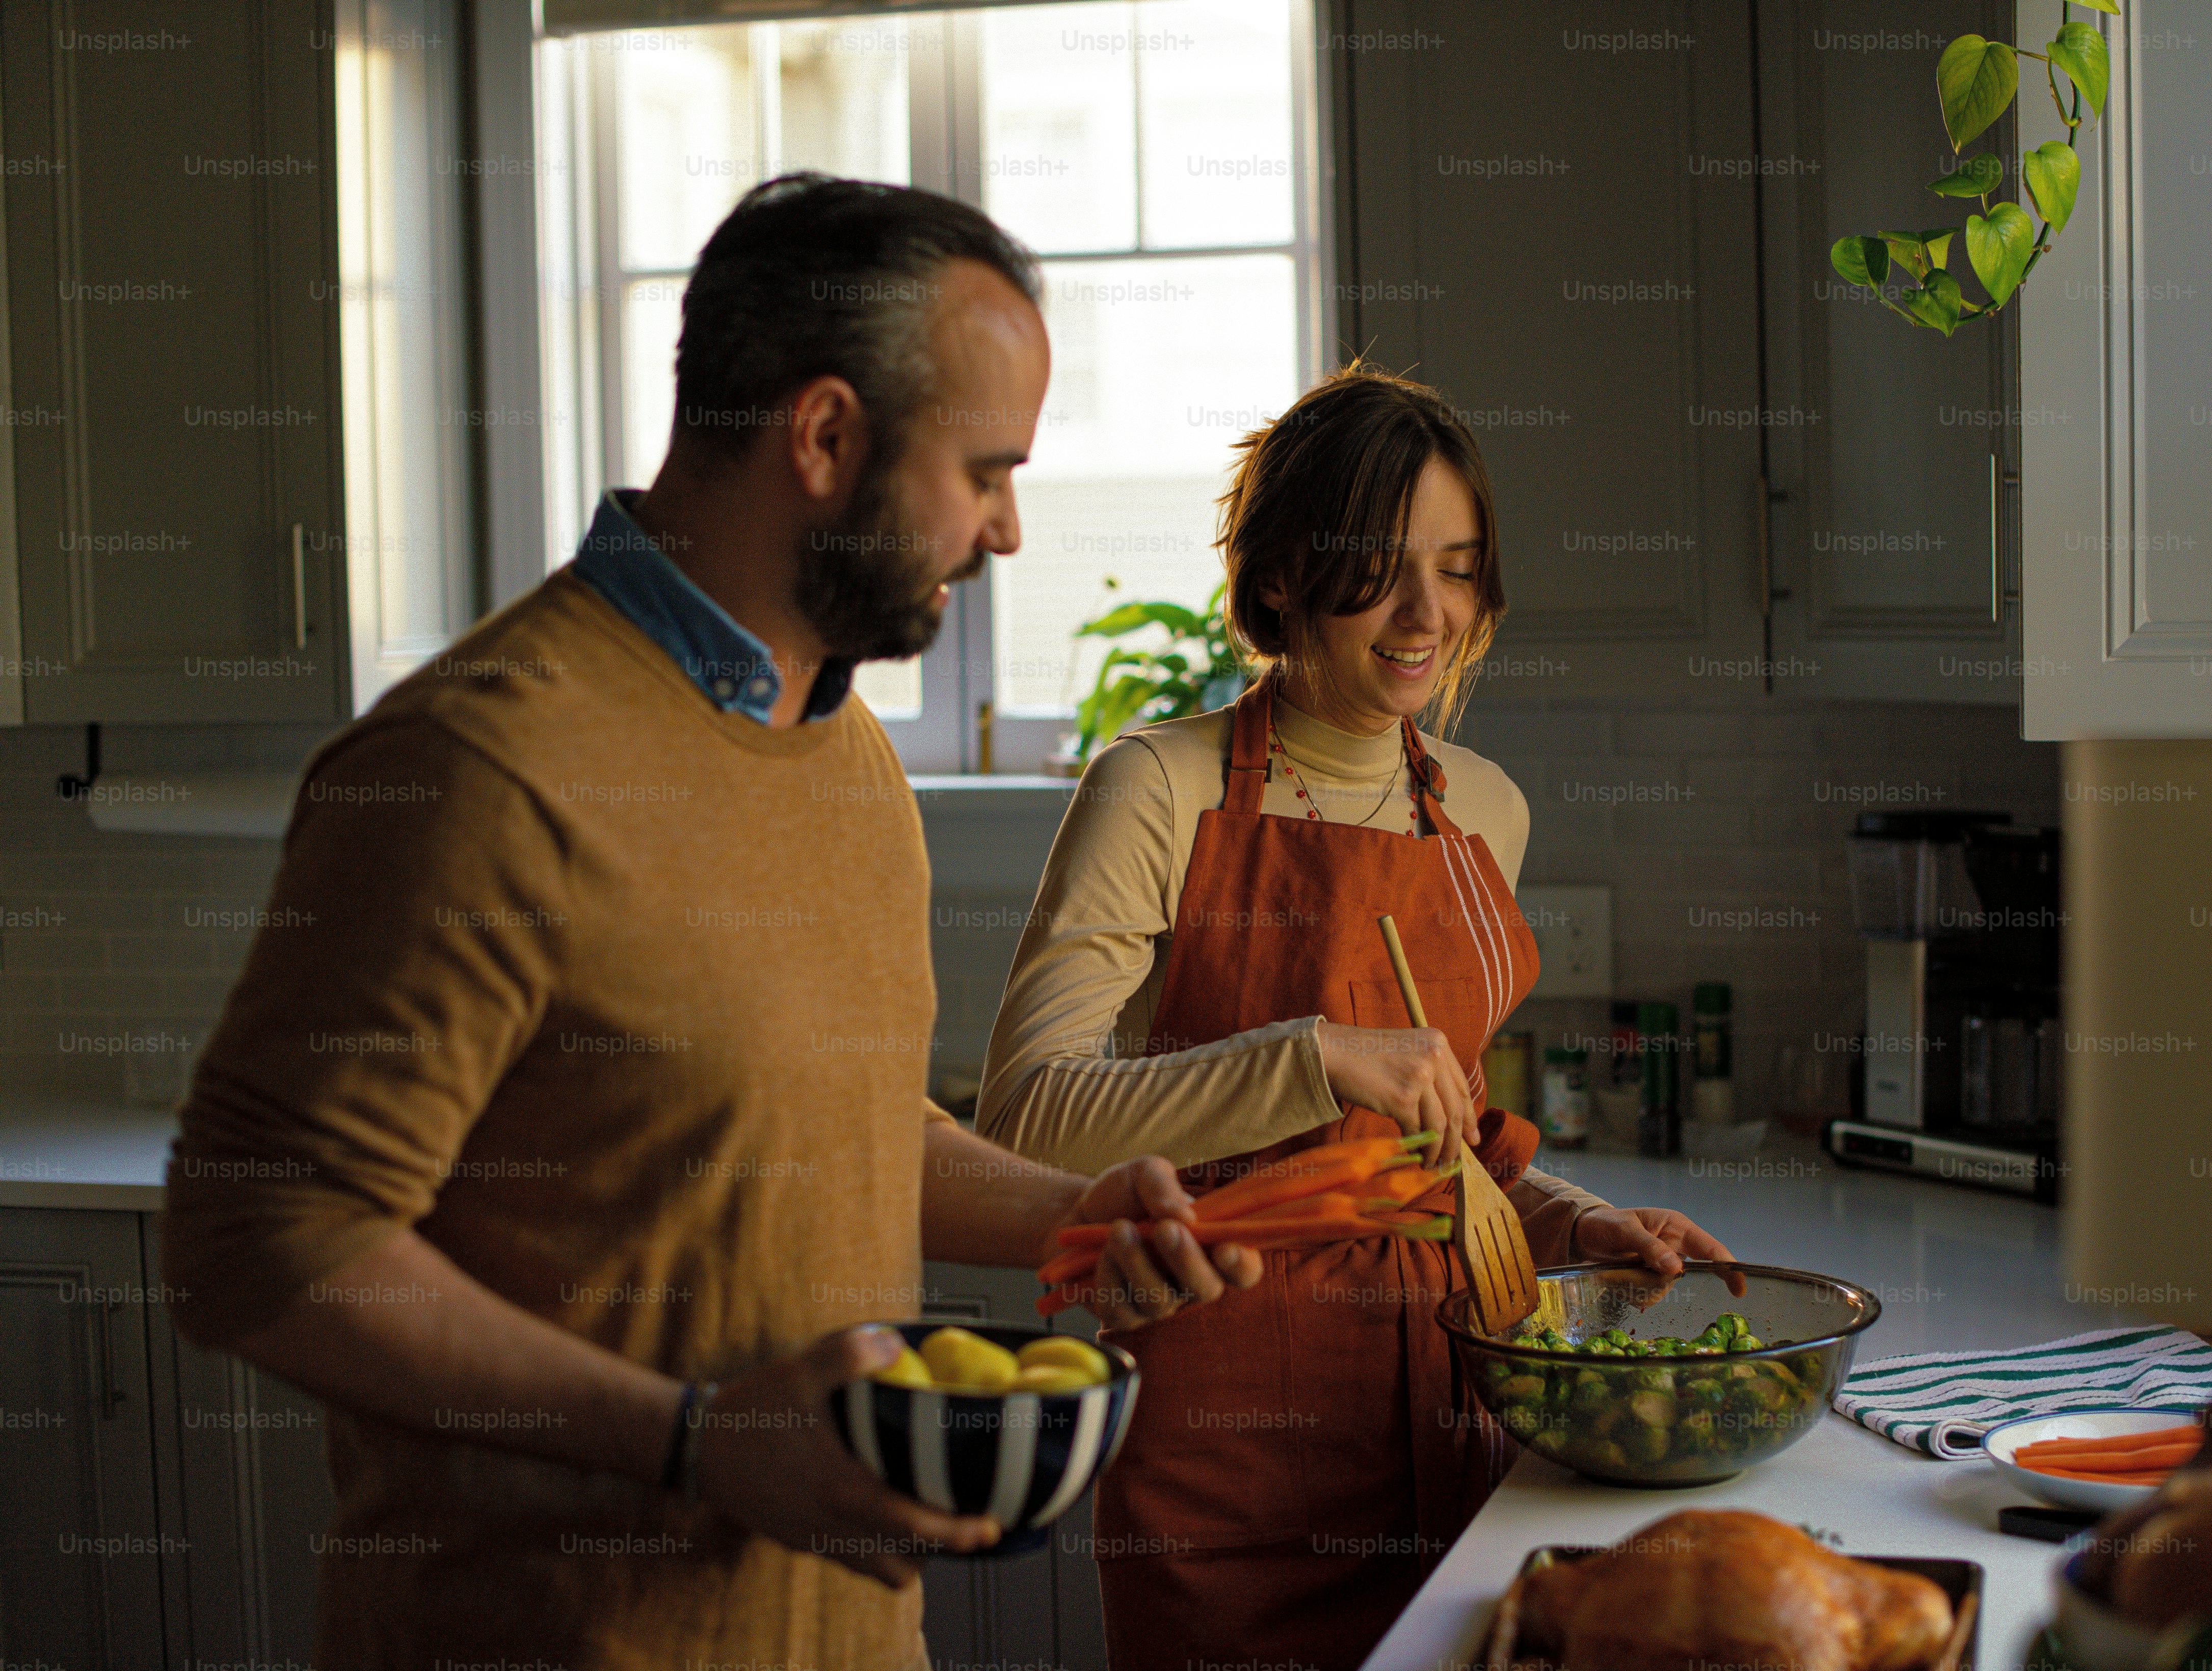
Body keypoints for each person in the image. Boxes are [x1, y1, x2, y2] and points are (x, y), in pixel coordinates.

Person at [158, 176, 1260, 1671]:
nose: (1006, 528)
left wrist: (1069, 1219)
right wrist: (694, 1442)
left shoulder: (847, 750)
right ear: (823, 439)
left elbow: (838, 1124)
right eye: (987, 470)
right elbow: (259, 1236)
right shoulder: (478, 765)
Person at [977, 366, 1740, 1669]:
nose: (1423, 612)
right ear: (1277, 575)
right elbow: (1028, 1109)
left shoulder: (1483, 809)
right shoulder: (1155, 787)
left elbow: (1445, 1142)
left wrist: (1568, 1217)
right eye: (1379, 565)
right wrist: (1312, 1055)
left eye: (1455, 566)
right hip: (1228, 1444)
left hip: (1459, 1411)